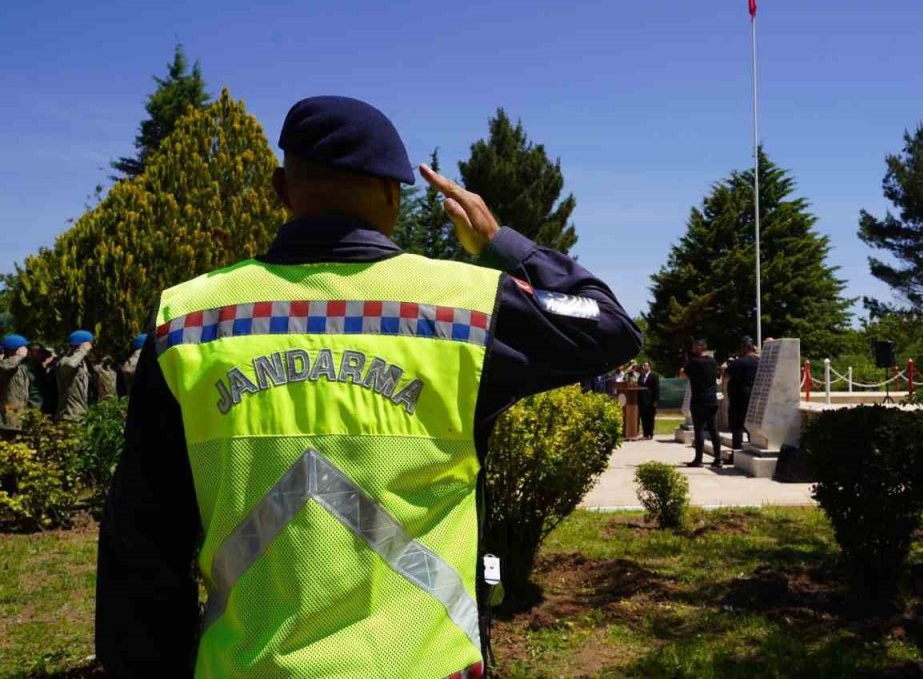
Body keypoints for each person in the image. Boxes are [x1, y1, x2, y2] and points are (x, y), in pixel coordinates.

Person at [96, 95, 641, 678]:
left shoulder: (189, 320)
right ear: (393, 196)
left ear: (281, 190)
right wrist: (498, 240)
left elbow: (143, 540)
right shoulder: (467, 309)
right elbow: (610, 326)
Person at [678, 337, 722, 467]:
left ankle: (699, 459)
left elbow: (682, 375)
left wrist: (684, 365)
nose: (692, 347)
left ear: (700, 347)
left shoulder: (693, 363)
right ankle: (718, 459)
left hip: (699, 400)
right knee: (713, 430)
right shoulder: (713, 362)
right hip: (712, 400)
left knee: (699, 430)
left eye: (694, 345)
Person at [724, 336, 759, 450]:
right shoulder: (759, 362)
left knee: (737, 427)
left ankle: (737, 452)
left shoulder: (737, 362)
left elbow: (725, 377)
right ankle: (751, 448)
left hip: (738, 397)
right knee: (751, 426)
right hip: (753, 397)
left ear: (744, 347)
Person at [55, 330, 94, 422]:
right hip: (68, 415)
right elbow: (71, 365)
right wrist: (82, 350)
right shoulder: (64, 361)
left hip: (80, 413)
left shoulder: (82, 362)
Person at [0, 333, 31, 429]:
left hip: (19, 414)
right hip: (8, 415)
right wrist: (20, 356)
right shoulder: (5, 365)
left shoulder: (19, 366)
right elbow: (6, 366)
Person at [637, 361, 660, 439]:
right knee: (643, 418)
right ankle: (645, 433)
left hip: (650, 400)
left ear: (649, 367)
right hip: (642, 400)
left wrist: (656, 401)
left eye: (645, 365)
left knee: (650, 417)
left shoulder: (654, 375)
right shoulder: (641, 376)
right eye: (643, 365)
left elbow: (657, 388)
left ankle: (650, 433)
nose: (643, 366)